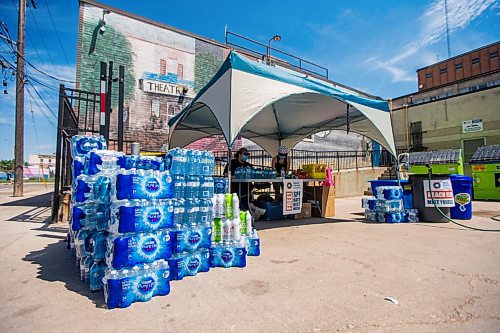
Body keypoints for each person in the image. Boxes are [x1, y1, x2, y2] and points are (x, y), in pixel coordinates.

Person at [223, 148, 266, 219]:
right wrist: (236, 176)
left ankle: (253, 211)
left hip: (246, 186)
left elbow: (253, 174)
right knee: (239, 198)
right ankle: (254, 210)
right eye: (244, 154)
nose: (246, 156)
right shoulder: (232, 163)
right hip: (235, 186)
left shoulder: (248, 165)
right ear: (239, 154)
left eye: (247, 155)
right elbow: (225, 174)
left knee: (248, 197)